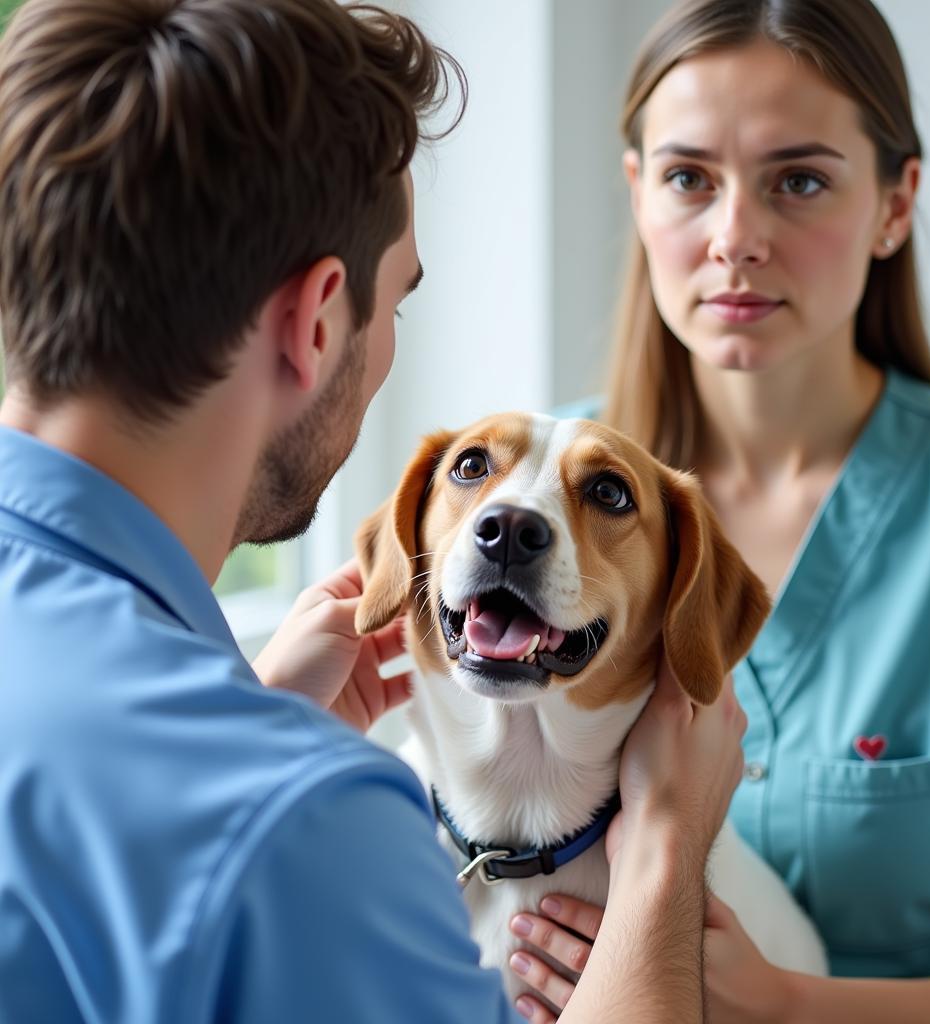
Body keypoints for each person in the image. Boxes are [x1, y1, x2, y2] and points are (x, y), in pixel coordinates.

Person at [0, 1, 745, 1022]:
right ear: (314, 323)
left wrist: (257, 716)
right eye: (393, 303)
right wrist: (665, 855)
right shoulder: (312, 826)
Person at [505, 0, 930, 1020]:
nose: (733, 238)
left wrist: (790, 1007)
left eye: (798, 181)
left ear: (893, 203)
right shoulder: (519, 503)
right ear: (636, 192)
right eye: (688, 178)